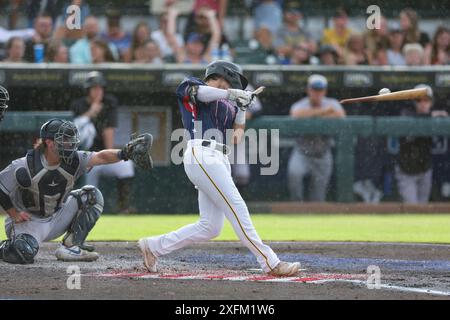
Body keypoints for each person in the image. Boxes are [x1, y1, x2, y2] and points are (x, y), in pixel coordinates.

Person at [138, 60, 300, 276]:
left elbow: (236, 136)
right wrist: (232, 94)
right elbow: (201, 93)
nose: (228, 86)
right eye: (227, 81)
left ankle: (153, 246)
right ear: (221, 76)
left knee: (210, 227)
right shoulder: (193, 84)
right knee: (237, 207)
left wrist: (242, 108)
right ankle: (270, 262)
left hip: (219, 157)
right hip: (202, 153)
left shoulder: (229, 103)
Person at [0, 118, 150, 264]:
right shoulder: (24, 165)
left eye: (71, 139)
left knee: (91, 195)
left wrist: (124, 153)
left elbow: (101, 156)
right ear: (49, 142)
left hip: (57, 217)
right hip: (29, 222)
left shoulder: (75, 159)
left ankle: (71, 247)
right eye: (64, 139)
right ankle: (5, 247)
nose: (70, 143)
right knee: (22, 254)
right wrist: (13, 213)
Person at [71, 71, 135, 213]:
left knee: (126, 166)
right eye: (94, 88)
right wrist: (91, 111)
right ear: (88, 90)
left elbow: (109, 129)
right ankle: (86, 211)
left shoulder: (109, 102)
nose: (98, 91)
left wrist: (111, 154)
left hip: (102, 154)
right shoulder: (78, 105)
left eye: (100, 88)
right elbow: (75, 128)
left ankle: (123, 206)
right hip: (86, 157)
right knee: (89, 189)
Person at [287, 74, 346, 202]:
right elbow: (296, 114)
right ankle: (296, 209)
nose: (317, 93)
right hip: (302, 152)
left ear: (324, 91)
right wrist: (324, 112)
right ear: (309, 90)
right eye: (314, 89)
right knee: (294, 174)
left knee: (319, 195)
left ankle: (315, 216)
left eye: (320, 90)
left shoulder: (332, 103)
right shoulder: (301, 105)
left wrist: (312, 116)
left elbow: (341, 116)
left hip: (323, 153)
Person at [395, 85, 448, 203]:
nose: (423, 103)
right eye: (419, 100)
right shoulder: (406, 113)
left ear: (431, 102)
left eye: (426, 100)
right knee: (412, 208)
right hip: (406, 170)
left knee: (423, 208)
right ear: (414, 102)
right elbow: (411, 119)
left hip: (425, 170)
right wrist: (431, 115)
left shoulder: (436, 117)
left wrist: (434, 116)